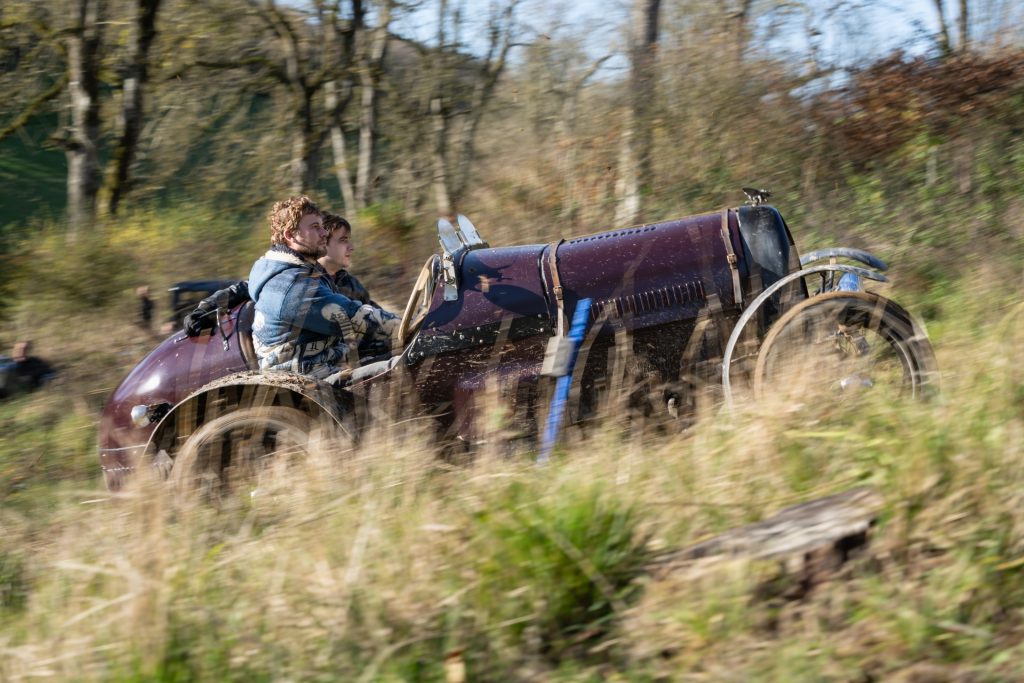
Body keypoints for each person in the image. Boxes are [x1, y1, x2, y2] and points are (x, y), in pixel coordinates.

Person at [181, 213, 397, 358]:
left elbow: (373, 315)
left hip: (344, 355)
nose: (352, 247)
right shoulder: (292, 280)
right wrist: (205, 309)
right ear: (324, 244)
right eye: (343, 240)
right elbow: (242, 288)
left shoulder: (350, 284)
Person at [247, 196, 398, 380]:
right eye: (315, 227)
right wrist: (406, 325)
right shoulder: (289, 286)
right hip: (307, 379)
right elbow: (350, 317)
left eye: (322, 226)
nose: (324, 233)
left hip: (324, 365)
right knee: (404, 369)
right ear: (290, 235)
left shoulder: (298, 273)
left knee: (399, 356)